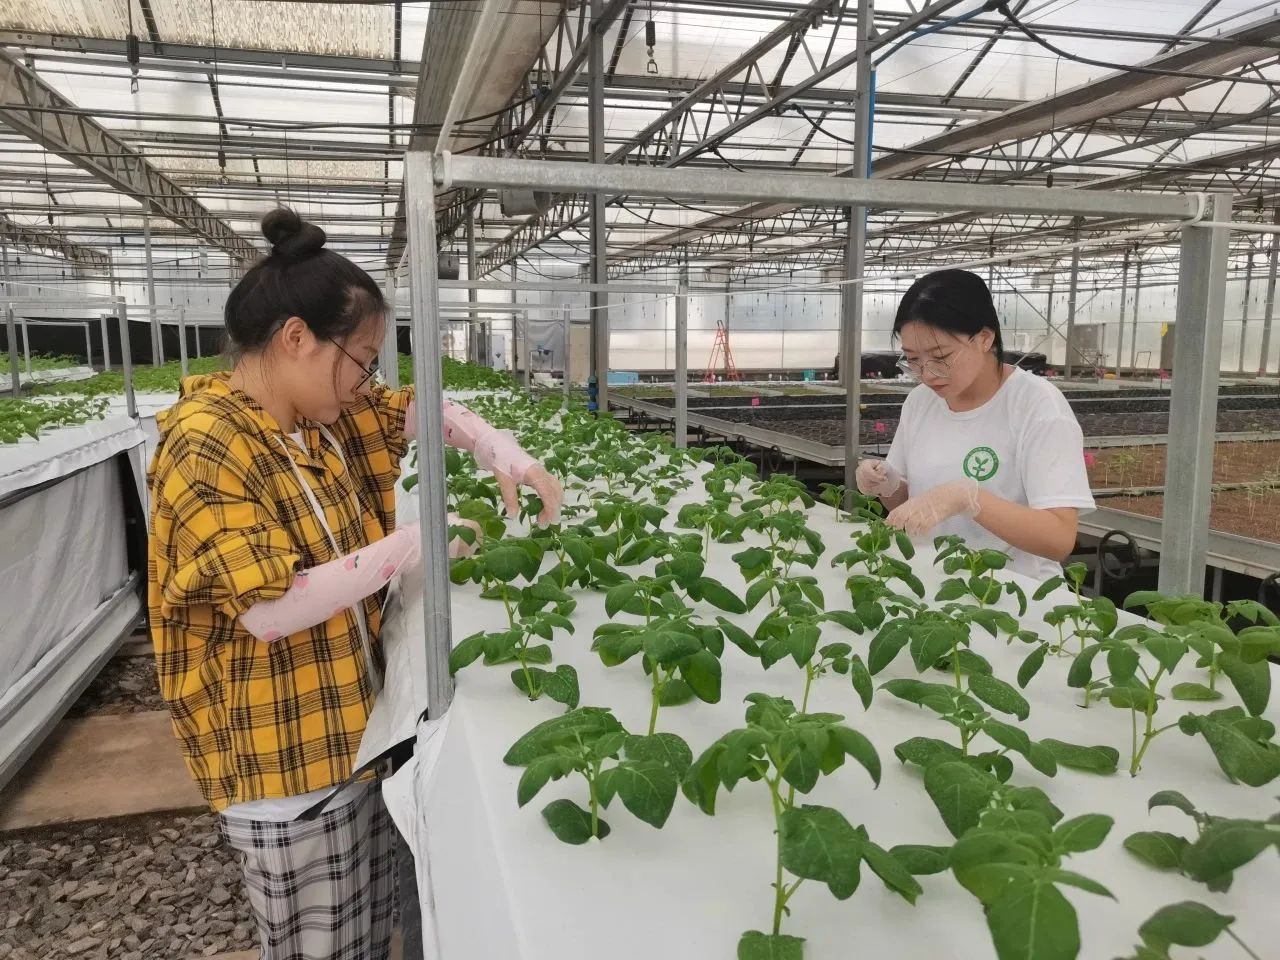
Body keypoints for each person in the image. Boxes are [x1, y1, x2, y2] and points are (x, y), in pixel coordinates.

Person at [147, 207, 563, 959]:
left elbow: (422, 412)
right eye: (362, 359)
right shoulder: (208, 441)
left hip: (349, 742)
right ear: (295, 337)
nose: (367, 380)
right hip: (286, 768)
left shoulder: (314, 420)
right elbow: (270, 610)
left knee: (366, 940)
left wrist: (507, 454)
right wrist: (415, 542)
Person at [856, 269, 1094, 581]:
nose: (927, 374)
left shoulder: (1036, 406)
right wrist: (885, 484)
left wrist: (970, 498)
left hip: (1013, 593)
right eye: (912, 360)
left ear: (984, 338)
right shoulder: (920, 402)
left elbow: (1058, 539)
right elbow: (910, 504)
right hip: (935, 584)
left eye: (940, 356)